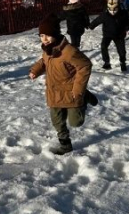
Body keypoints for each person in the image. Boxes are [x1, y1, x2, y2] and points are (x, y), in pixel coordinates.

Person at [28, 15, 94, 155]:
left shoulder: (69, 51)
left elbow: (85, 65)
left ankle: (84, 96)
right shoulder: (47, 49)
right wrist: (35, 71)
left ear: (56, 34)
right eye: (42, 36)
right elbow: (44, 61)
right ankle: (65, 145)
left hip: (71, 91)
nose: (44, 39)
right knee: (57, 121)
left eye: (48, 35)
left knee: (76, 122)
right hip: (54, 92)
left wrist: (78, 89)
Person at [88, 0, 129, 72]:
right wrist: (91, 26)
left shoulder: (123, 14)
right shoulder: (104, 15)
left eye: (115, 9)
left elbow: (128, 22)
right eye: (110, 9)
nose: (112, 12)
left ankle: (122, 62)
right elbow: (97, 20)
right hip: (107, 35)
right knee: (103, 47)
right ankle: (106, 62)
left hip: (119, 35)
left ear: (118, 7)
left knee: (121, 50)